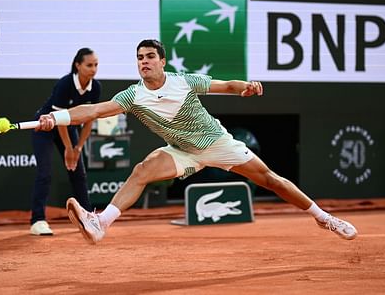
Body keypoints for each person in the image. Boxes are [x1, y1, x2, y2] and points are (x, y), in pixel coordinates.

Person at [36, 39, 358, 243]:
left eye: (149, 57)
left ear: (162, 61)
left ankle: (324, 217)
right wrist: (58, 117)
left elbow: (226, 85)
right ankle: (101, 223)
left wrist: (245, 86)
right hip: (182, 151)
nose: (144, 62)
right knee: (142, 170)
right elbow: (92, 110)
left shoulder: (185, 81)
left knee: (271, 180)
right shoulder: (132, 95)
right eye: (139, 58)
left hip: (216, 143)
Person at [29, 48, 101, 236]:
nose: (93, 69)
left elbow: (90, 119)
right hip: (44, 128)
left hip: (68, 128)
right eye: (89, 65)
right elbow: (59, 119)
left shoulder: (96, 87)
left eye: (96, 65)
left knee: (79, 173)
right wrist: (69, 147)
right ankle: (37, 221)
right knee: (44, 173)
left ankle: (88, 219)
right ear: (78, 65)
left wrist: (78, 148)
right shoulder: (65, 83)